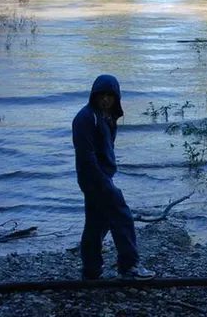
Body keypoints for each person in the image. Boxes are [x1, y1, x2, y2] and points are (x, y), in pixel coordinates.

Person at [72, 74, 155, 280]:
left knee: (96, 223)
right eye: (102, 95)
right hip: (94, 178)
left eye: (111, 95)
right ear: (94, 95)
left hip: (101, 177)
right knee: (122, 216)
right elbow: (86, 156)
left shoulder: (106, 116)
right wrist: (102, 182)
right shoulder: (85, 118)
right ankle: (129, 266)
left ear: (116, 97)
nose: (106, 99)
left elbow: (104, 150)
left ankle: (91, 270)